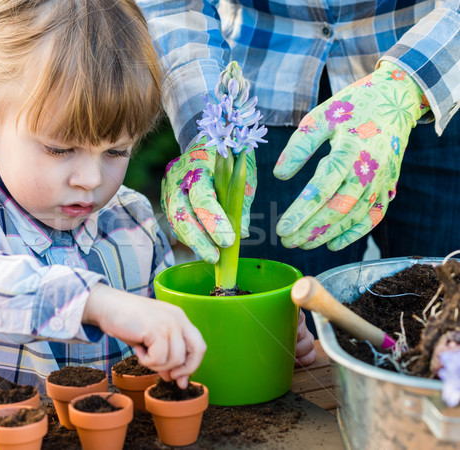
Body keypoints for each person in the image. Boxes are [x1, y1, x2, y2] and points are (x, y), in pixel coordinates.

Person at [0, 0, 207, 417]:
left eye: (116, 150)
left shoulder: (132, 221)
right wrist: (95, 302)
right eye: (61, 149)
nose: (91, 179)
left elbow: (168, 338)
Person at [139, 0, 460, 346]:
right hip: (270, 100)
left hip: (434, 85)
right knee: (285, 338)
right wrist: (206, 126)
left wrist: (403, 87)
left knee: (441, 311)